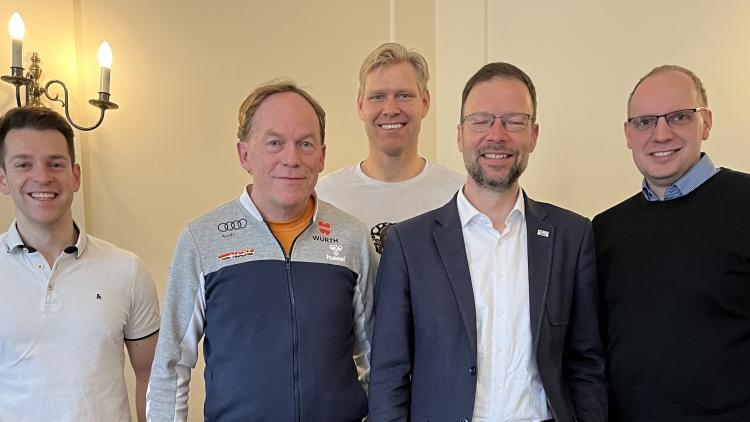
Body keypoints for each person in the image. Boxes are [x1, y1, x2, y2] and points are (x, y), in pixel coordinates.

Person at [368, 62, 607, 422]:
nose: (497, 135)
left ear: (534, 135)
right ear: (460, 135)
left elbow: (586, 364)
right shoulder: (408, 244)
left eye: (514, 121)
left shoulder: (571, 236)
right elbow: (389, 374)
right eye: (482, 121)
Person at [147, 80, 376, 421]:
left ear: (322, 156)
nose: (291, 158)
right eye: (274, 143)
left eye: (305, 144)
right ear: (244, 155)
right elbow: (171, 364)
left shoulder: (352, 238)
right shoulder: (202, 240)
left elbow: (378, 359)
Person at [593, 65, 750, 421]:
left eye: (679, 117)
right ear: (628, 134)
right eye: (645, 122)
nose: (661, 134)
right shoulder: (603, 229)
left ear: (705, 123)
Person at [0, 106, 160, 422]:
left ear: (75, 176)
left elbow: (152, 376)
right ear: (3, 179)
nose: (42, 176)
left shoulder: (127, 270)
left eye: (55, 163)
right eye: (24, 164)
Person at [316, 42, 463, 253]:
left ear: (425, 102)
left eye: (404, 95)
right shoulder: (324, 197)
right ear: (360, 106)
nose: (391, 109)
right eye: (378, 97)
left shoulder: (458, 196)